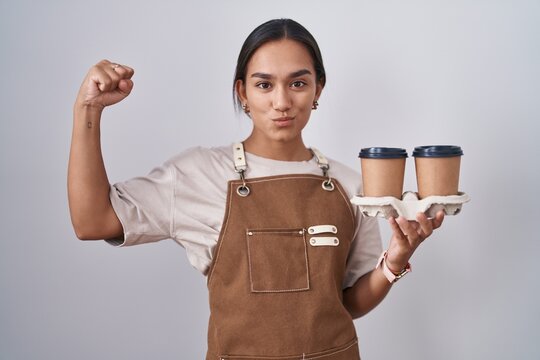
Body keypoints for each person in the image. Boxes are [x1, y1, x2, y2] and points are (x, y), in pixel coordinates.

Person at [68, 18, 444, 360]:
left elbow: (348, 303)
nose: (282, 102)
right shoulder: (201, 173)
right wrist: (88, 110)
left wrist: (393, 262)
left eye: (298, 83)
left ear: (318, 88)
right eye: (264, 84)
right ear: (243, 92)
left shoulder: (350, 185)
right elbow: (92, 221)